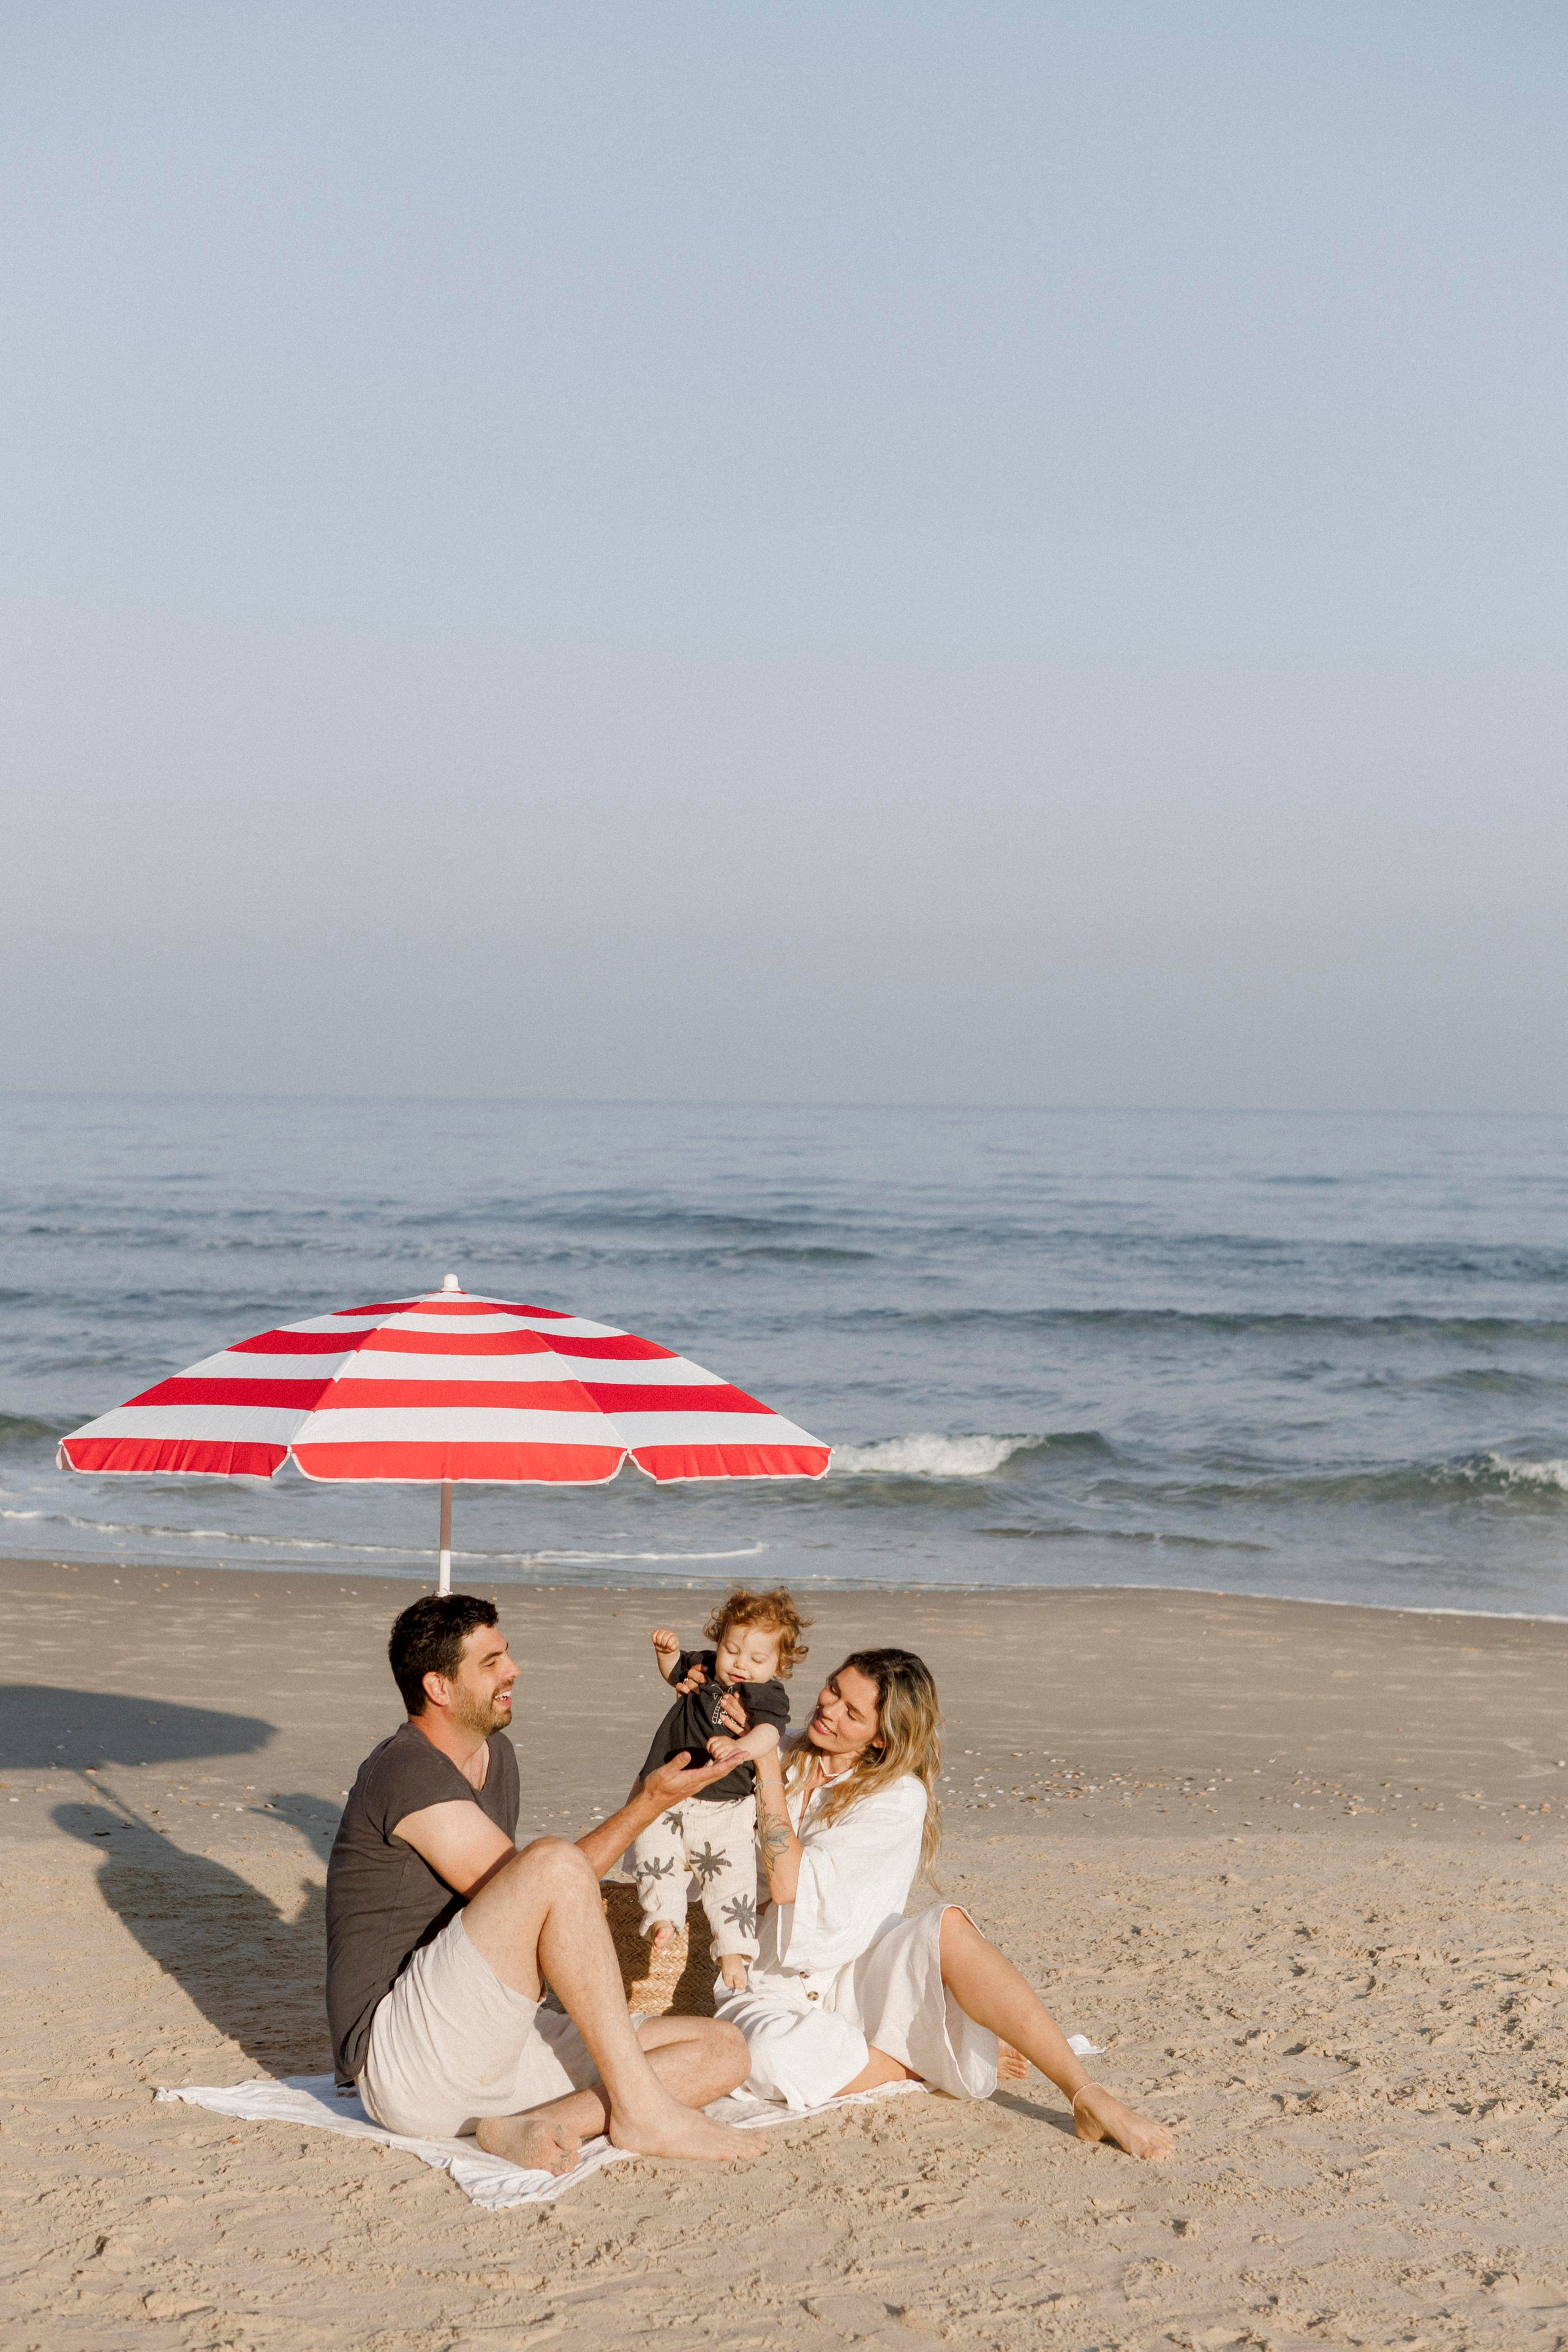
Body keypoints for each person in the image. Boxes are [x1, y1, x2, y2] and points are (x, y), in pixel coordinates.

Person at [325, 1594, 763, 2177]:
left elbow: (546, 1893)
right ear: (438, 1687)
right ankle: (641, 2110)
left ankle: (540, 2122)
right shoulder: (405, 1771)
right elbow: (544, 1882)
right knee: (552, 1861)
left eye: (506, 1655)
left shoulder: (495, 1754)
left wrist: (652, 1801)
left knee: (724, 2050)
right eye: (491, 1663)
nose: (514, 1670)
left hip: (491, 2040)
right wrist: (651, 1802)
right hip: (408, 2060)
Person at [711, 1646, 1174, 2161]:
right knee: (761, 2057)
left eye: (852, 1712)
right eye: (834, 1689)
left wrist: (767, 1769)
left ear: (881, 1737)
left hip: (859, 1972)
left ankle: (1088, 2096)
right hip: (768, 1981)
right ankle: (925, 2059)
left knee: (950, 1926)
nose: (829, 1708)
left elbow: (790, 1883)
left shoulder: (893, 1796)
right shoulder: (784, 1747)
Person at [624, 1587, 807, 1991]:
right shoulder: (704, 1668)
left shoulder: (765, 1694)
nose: (741, 1664)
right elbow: (674, 1672)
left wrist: (740, 1748)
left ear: (779, 1663)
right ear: (717, 1642)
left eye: (757, 1659)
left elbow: (767, 1735)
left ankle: (733, 1952)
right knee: (652, 1849)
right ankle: (663, 1915)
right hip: (670, 1788)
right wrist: (665, 1653)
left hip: (725, 1804)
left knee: (730, 1875)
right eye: (732, 1650)